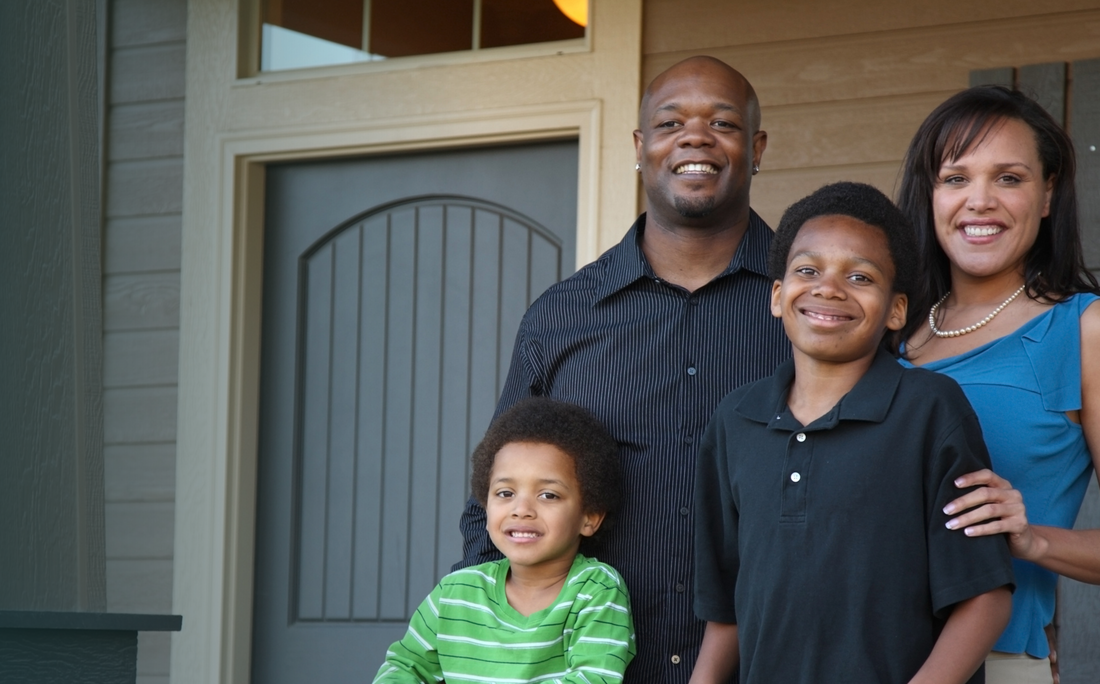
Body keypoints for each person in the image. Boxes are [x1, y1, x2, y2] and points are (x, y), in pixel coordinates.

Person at [453, 56, 790, 683]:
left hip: (774, 663)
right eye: (670, 123)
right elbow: (491, 500)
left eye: (722, 123)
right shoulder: (562, 315)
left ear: (757, 147)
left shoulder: (809, 309)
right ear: (641, 146)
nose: (696, 138)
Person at [690, 182, 1015, 684]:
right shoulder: (736, 419)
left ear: (896, 310)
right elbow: (725, 608)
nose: (828, 288)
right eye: (807, 270)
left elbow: (984, 595)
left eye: (859, 276)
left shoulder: (929, 410)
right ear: (778, 295)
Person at [896, 85, 1100, 684]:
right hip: (856, 652)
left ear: (1047, 194)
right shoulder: (888, 331)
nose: (979, 201)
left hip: (998, 663)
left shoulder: (1082, 330)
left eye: (1008, 178)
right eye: (955, 178)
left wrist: (1032, 540)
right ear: (929, 195)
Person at [373, 397, 635, 683]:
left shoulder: (597, 590)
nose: (521, 509)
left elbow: (593, 678)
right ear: (485, 507)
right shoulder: (455, 592)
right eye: (505, 493)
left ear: (590, 517)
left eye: (548, 495)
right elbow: (405, 666)